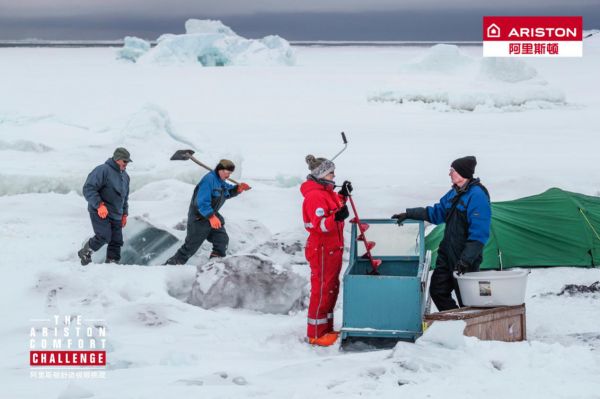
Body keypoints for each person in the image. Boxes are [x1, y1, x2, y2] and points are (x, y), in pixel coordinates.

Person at [391, 156, 491, 311]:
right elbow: (436, 213)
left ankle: (468, 330)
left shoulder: (477, 196)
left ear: (462, 173)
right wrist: (409, 214)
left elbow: (480, 234)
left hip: (464, 258)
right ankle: (454, 324)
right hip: (447, 253)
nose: (449, 174)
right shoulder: (454, 193)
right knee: (438, 291)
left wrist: (466, 260)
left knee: (468, 300)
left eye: (452, 170)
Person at [301, 154, 352, 346]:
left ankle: (326, 328)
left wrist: (343, 197)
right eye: (331, 173)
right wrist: (337, 218)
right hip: (322, 248)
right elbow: (320, 225)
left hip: (332, 248)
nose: (334, 176)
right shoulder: (315, 196)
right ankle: (316, 333)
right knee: (322, 289)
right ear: (320, 175)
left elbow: (335, 208)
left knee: (331, 287)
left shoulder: (326, 192)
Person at [164, 159, 250, 265]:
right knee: (190, 248)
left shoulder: (220, 181)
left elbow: (227, 192)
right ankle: (169, 267)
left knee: (221, 241)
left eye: (230, 173)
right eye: (227, 173)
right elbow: (201, 202)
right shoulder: (208, 180)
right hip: (199, 218)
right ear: (221, 170)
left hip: (212, 217)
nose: (228, 176)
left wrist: (238, 189)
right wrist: (211, 217)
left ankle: (214, 264)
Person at [78, 147, 132, 265]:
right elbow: (88, 188)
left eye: (128, 161)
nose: (126, 164)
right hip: (101, 211)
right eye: (125, 161)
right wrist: (99, 205)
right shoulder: (103, 170)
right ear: (117, 159)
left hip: (117, 214)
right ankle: (86, 251)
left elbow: (125, 198)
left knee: (117, 241)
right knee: (104, 236)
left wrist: (124, 214)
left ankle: (112, 263)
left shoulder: (126, 177)